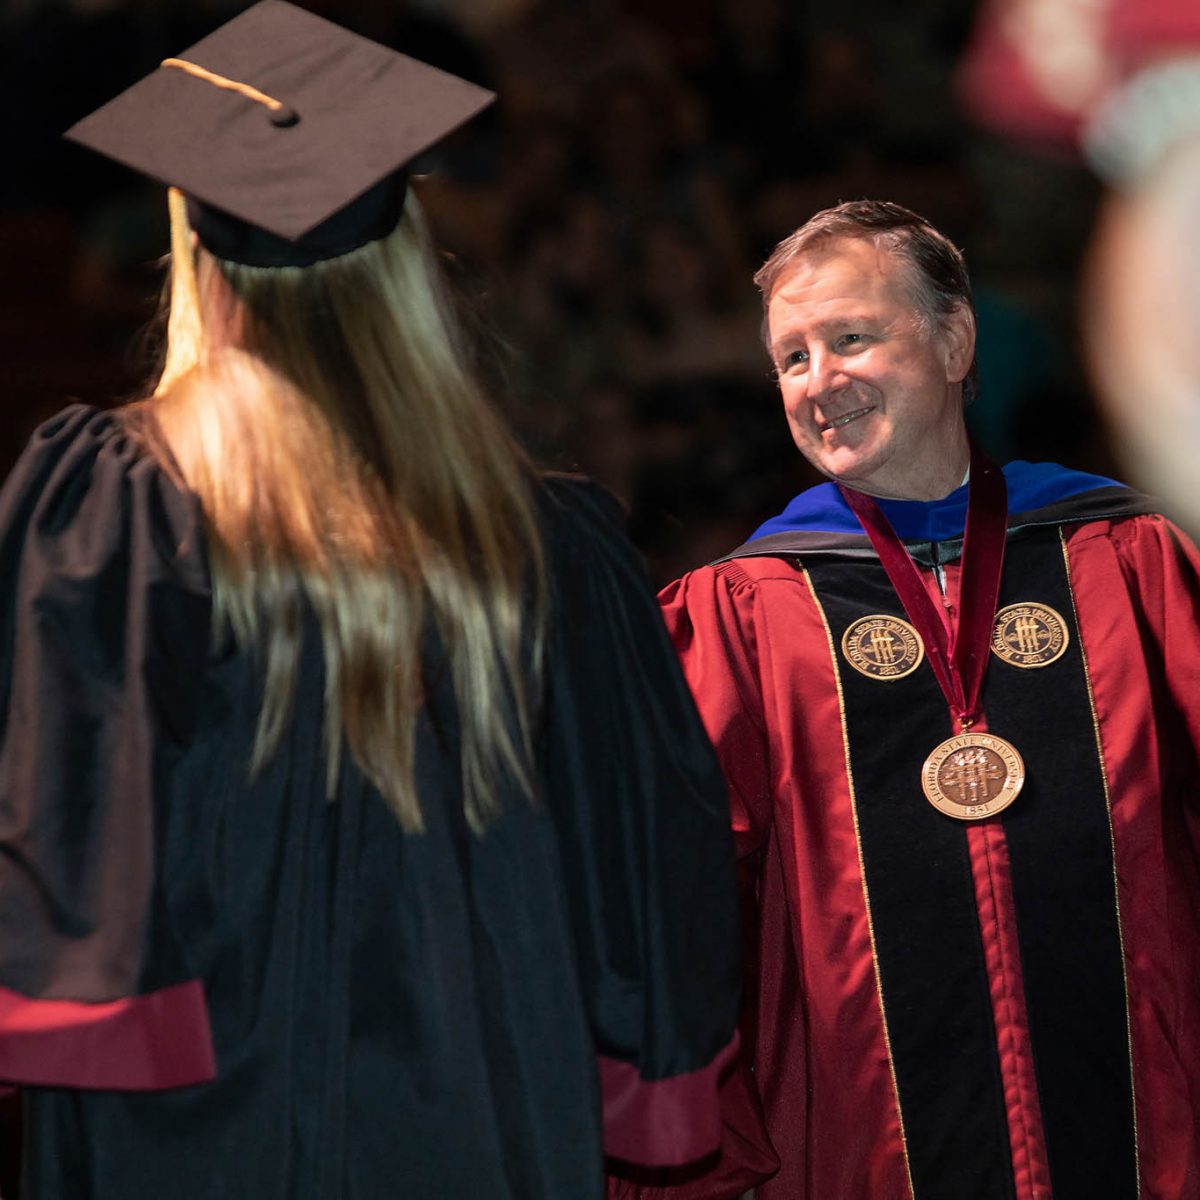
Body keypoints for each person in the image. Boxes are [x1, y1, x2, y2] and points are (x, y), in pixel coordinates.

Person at [0, 4, 743, 1197]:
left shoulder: (121, 509)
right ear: (408, 259)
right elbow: (644, 878)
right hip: (486, 1098)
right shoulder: (544, 545)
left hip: (194, 1118)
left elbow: (59, 831)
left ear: (191, 253)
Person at [637, 200, 1200, 1199]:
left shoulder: (1128, 561)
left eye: (850, 337)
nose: (820, 381)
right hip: (866, 1149)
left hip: (1151, 1130)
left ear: (953, 339)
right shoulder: (740, 620)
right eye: (792, 358)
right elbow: (667, 914)